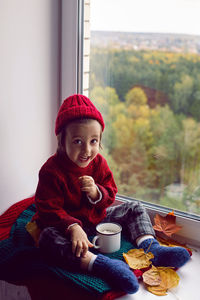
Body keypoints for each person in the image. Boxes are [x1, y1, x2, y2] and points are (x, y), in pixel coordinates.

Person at [30, 94, 190, 294]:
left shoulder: (98, 164)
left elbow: (111, 192)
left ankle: (151, 248)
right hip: (66, 229)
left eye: (93, 141)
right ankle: (98, 264)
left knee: (135, 207)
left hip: (96, 219)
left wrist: (97, 192)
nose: (87, 150)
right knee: (46, 238)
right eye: (78, 141)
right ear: (62, 141)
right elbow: (47, 207)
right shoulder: (51, 171)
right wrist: (71, 227)